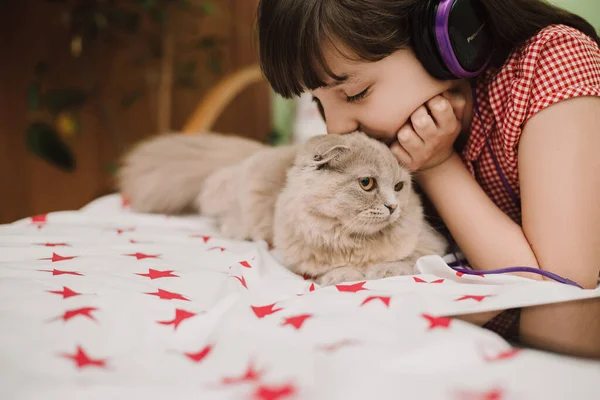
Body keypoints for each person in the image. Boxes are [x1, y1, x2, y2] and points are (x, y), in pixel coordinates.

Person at [257, 0, 600, 358]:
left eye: (355, 93)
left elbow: (562, 301)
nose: (336, 127)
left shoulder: (553, 61)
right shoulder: (392, 144)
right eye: (319, 102)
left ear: (447, 36)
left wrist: (438, 165)